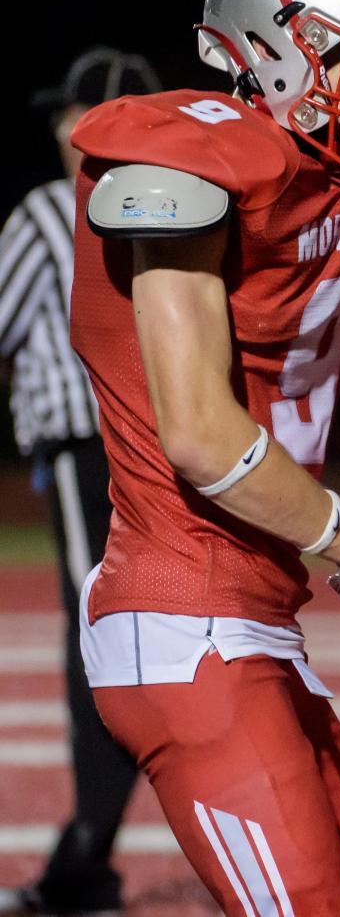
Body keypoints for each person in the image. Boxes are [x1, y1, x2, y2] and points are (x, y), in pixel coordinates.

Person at [67, 0, 340, 917]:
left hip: (253, 622)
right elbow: (197, 432)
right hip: (183, 617)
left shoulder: (318, 171)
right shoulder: (187, 162)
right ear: (287, 44)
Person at [0, 47, 162, 917]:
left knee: (94, 645)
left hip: (87, 448)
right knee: (158, 632)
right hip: (170, 449)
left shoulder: (45, 212)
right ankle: (89, 851)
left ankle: (85, 856)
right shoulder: (182, 203)